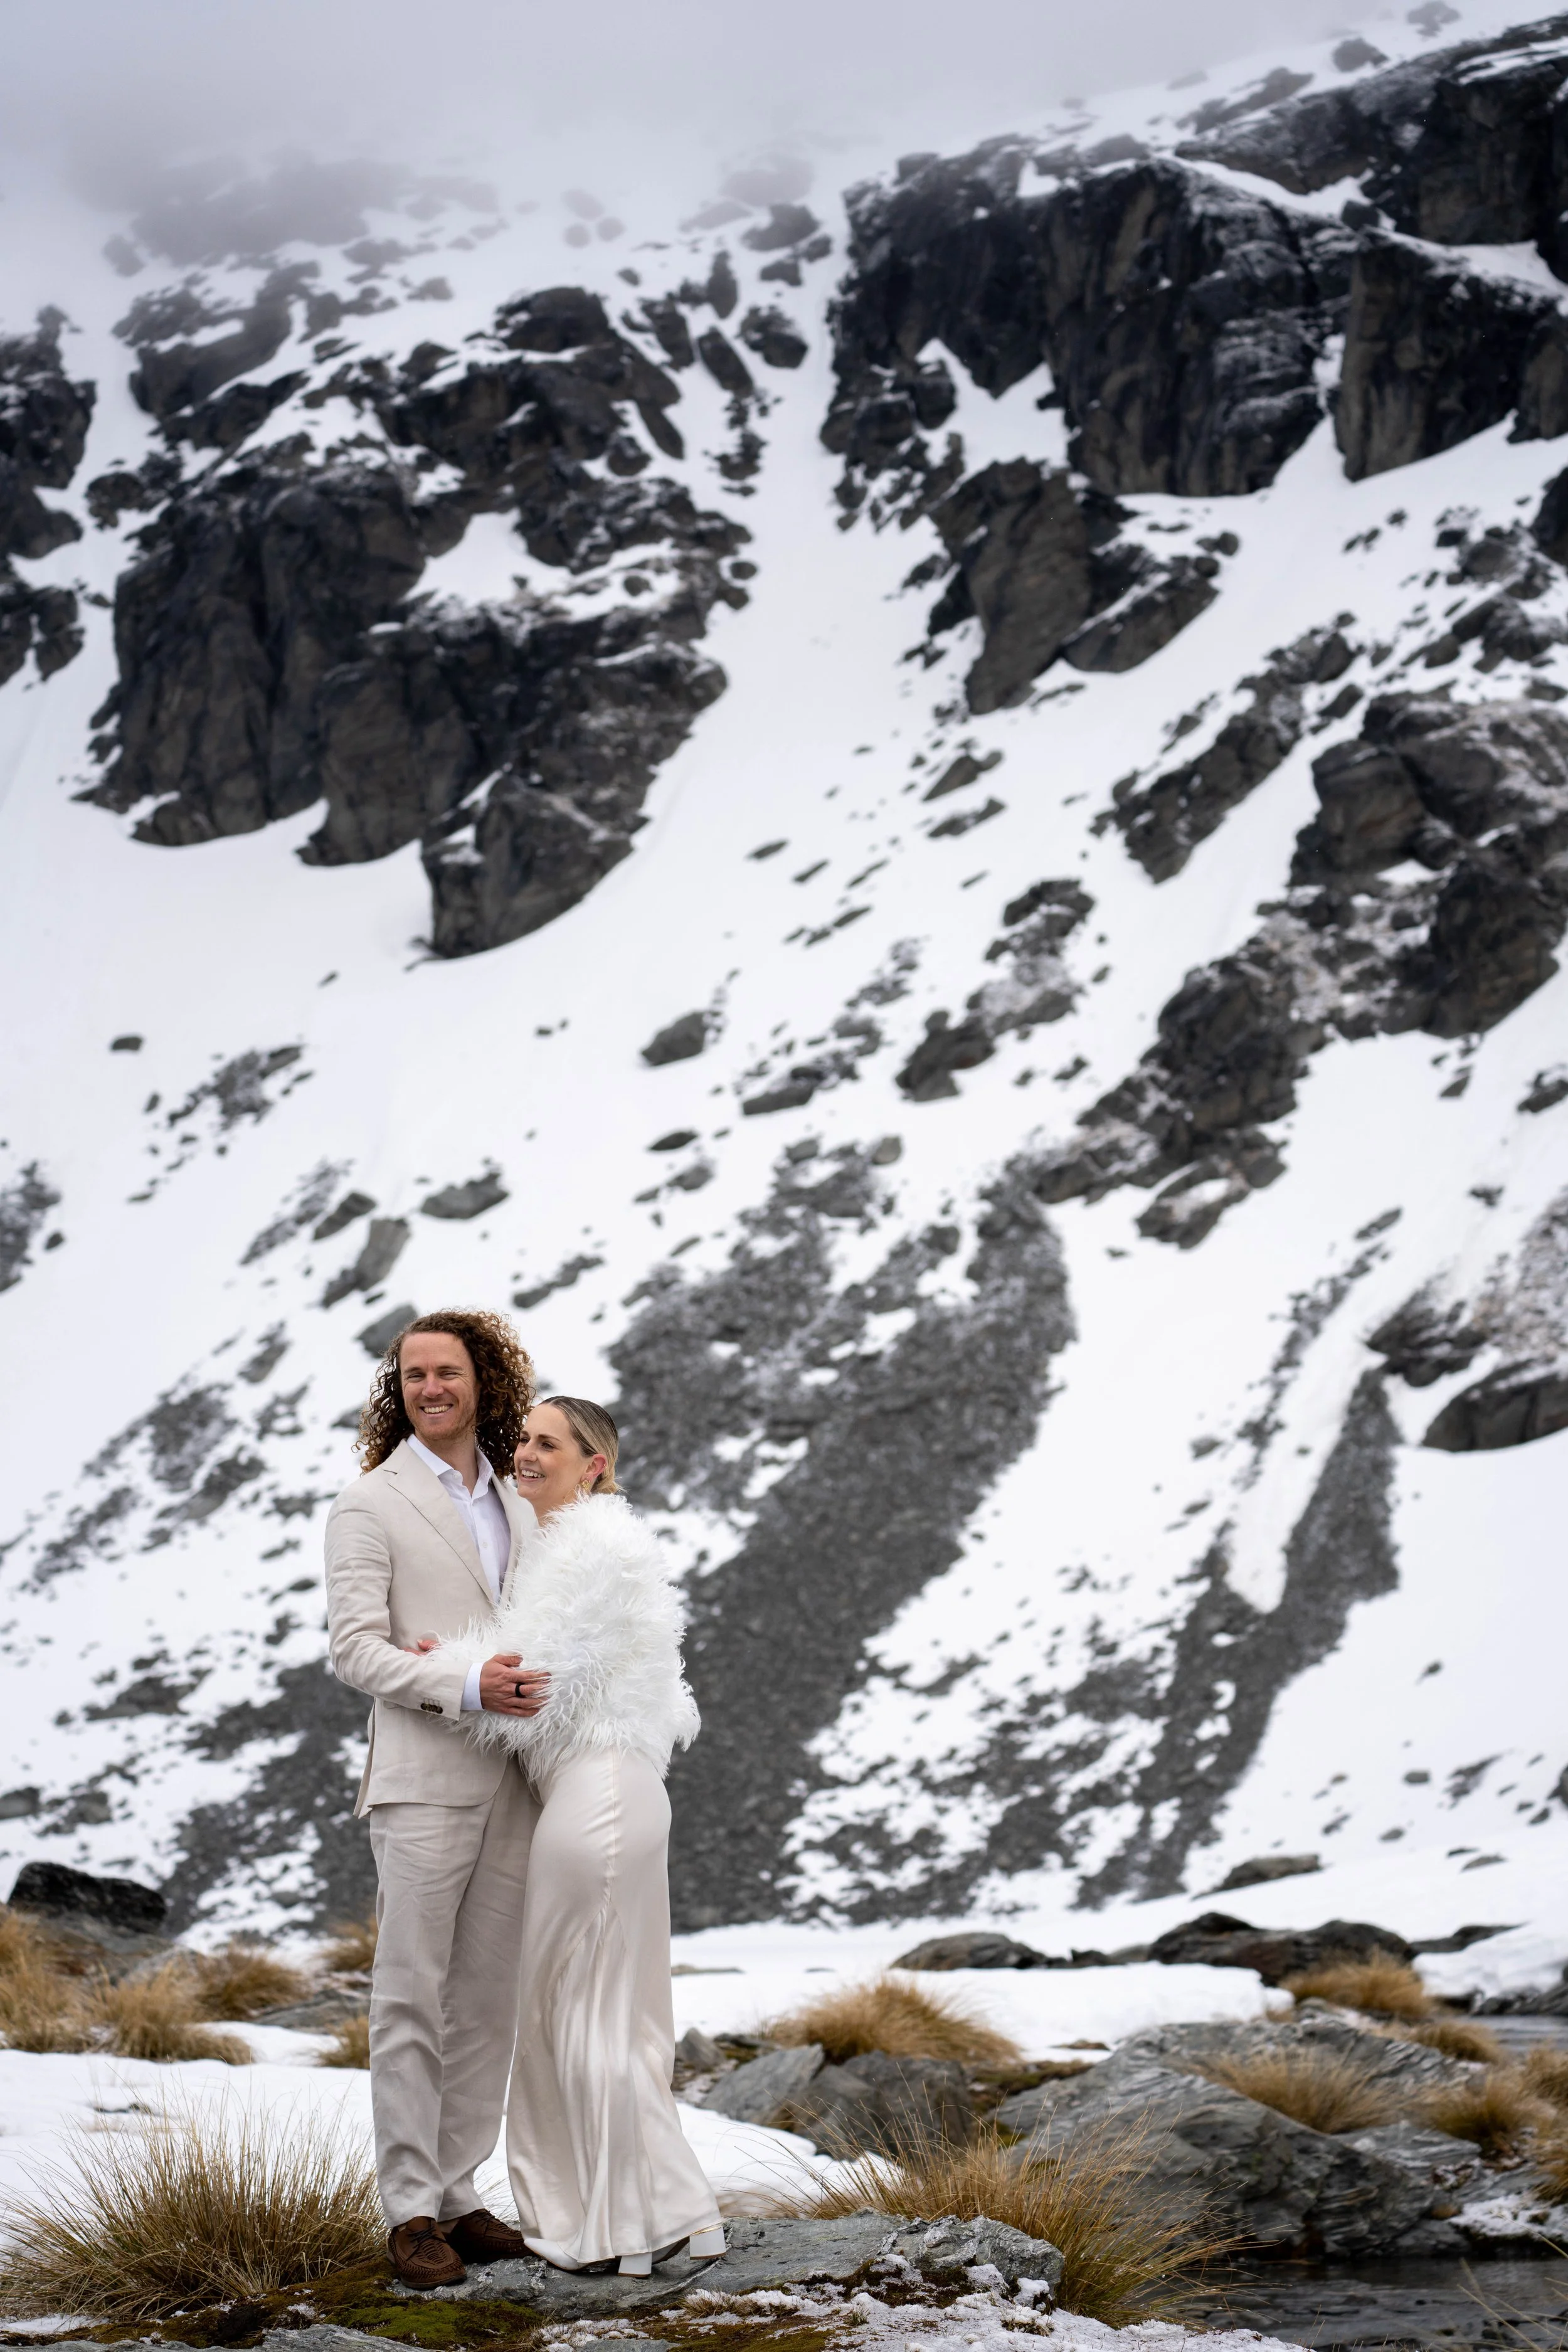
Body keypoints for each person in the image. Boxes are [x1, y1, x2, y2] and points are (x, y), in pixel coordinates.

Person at [445, 1395, 726, 2277]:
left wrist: (451, 1664)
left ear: (593, 1463)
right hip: (613, 1791)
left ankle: (649, 2218)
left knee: (579, 2010)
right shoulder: (576, 1549)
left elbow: (533, 1691)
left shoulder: (596, 1547)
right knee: (611, 2009)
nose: (524, 1453)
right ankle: (636, 2221)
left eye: (547, 1442)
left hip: (597, 1796)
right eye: (523, 1438)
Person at [324, 1308, 548, 2291]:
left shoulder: (523, 1501)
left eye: (447, 1371)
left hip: (517, 1783)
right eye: (413, 1373)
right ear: (399, 1388)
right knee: (412, 1998)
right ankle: (409, 2209)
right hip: (422, 1781)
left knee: (489, 2003)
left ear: (482, 1381)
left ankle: (460, 2194)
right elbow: (354, 1647)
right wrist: (463, 1681)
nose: (430, 1387)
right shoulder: (369, 1503)